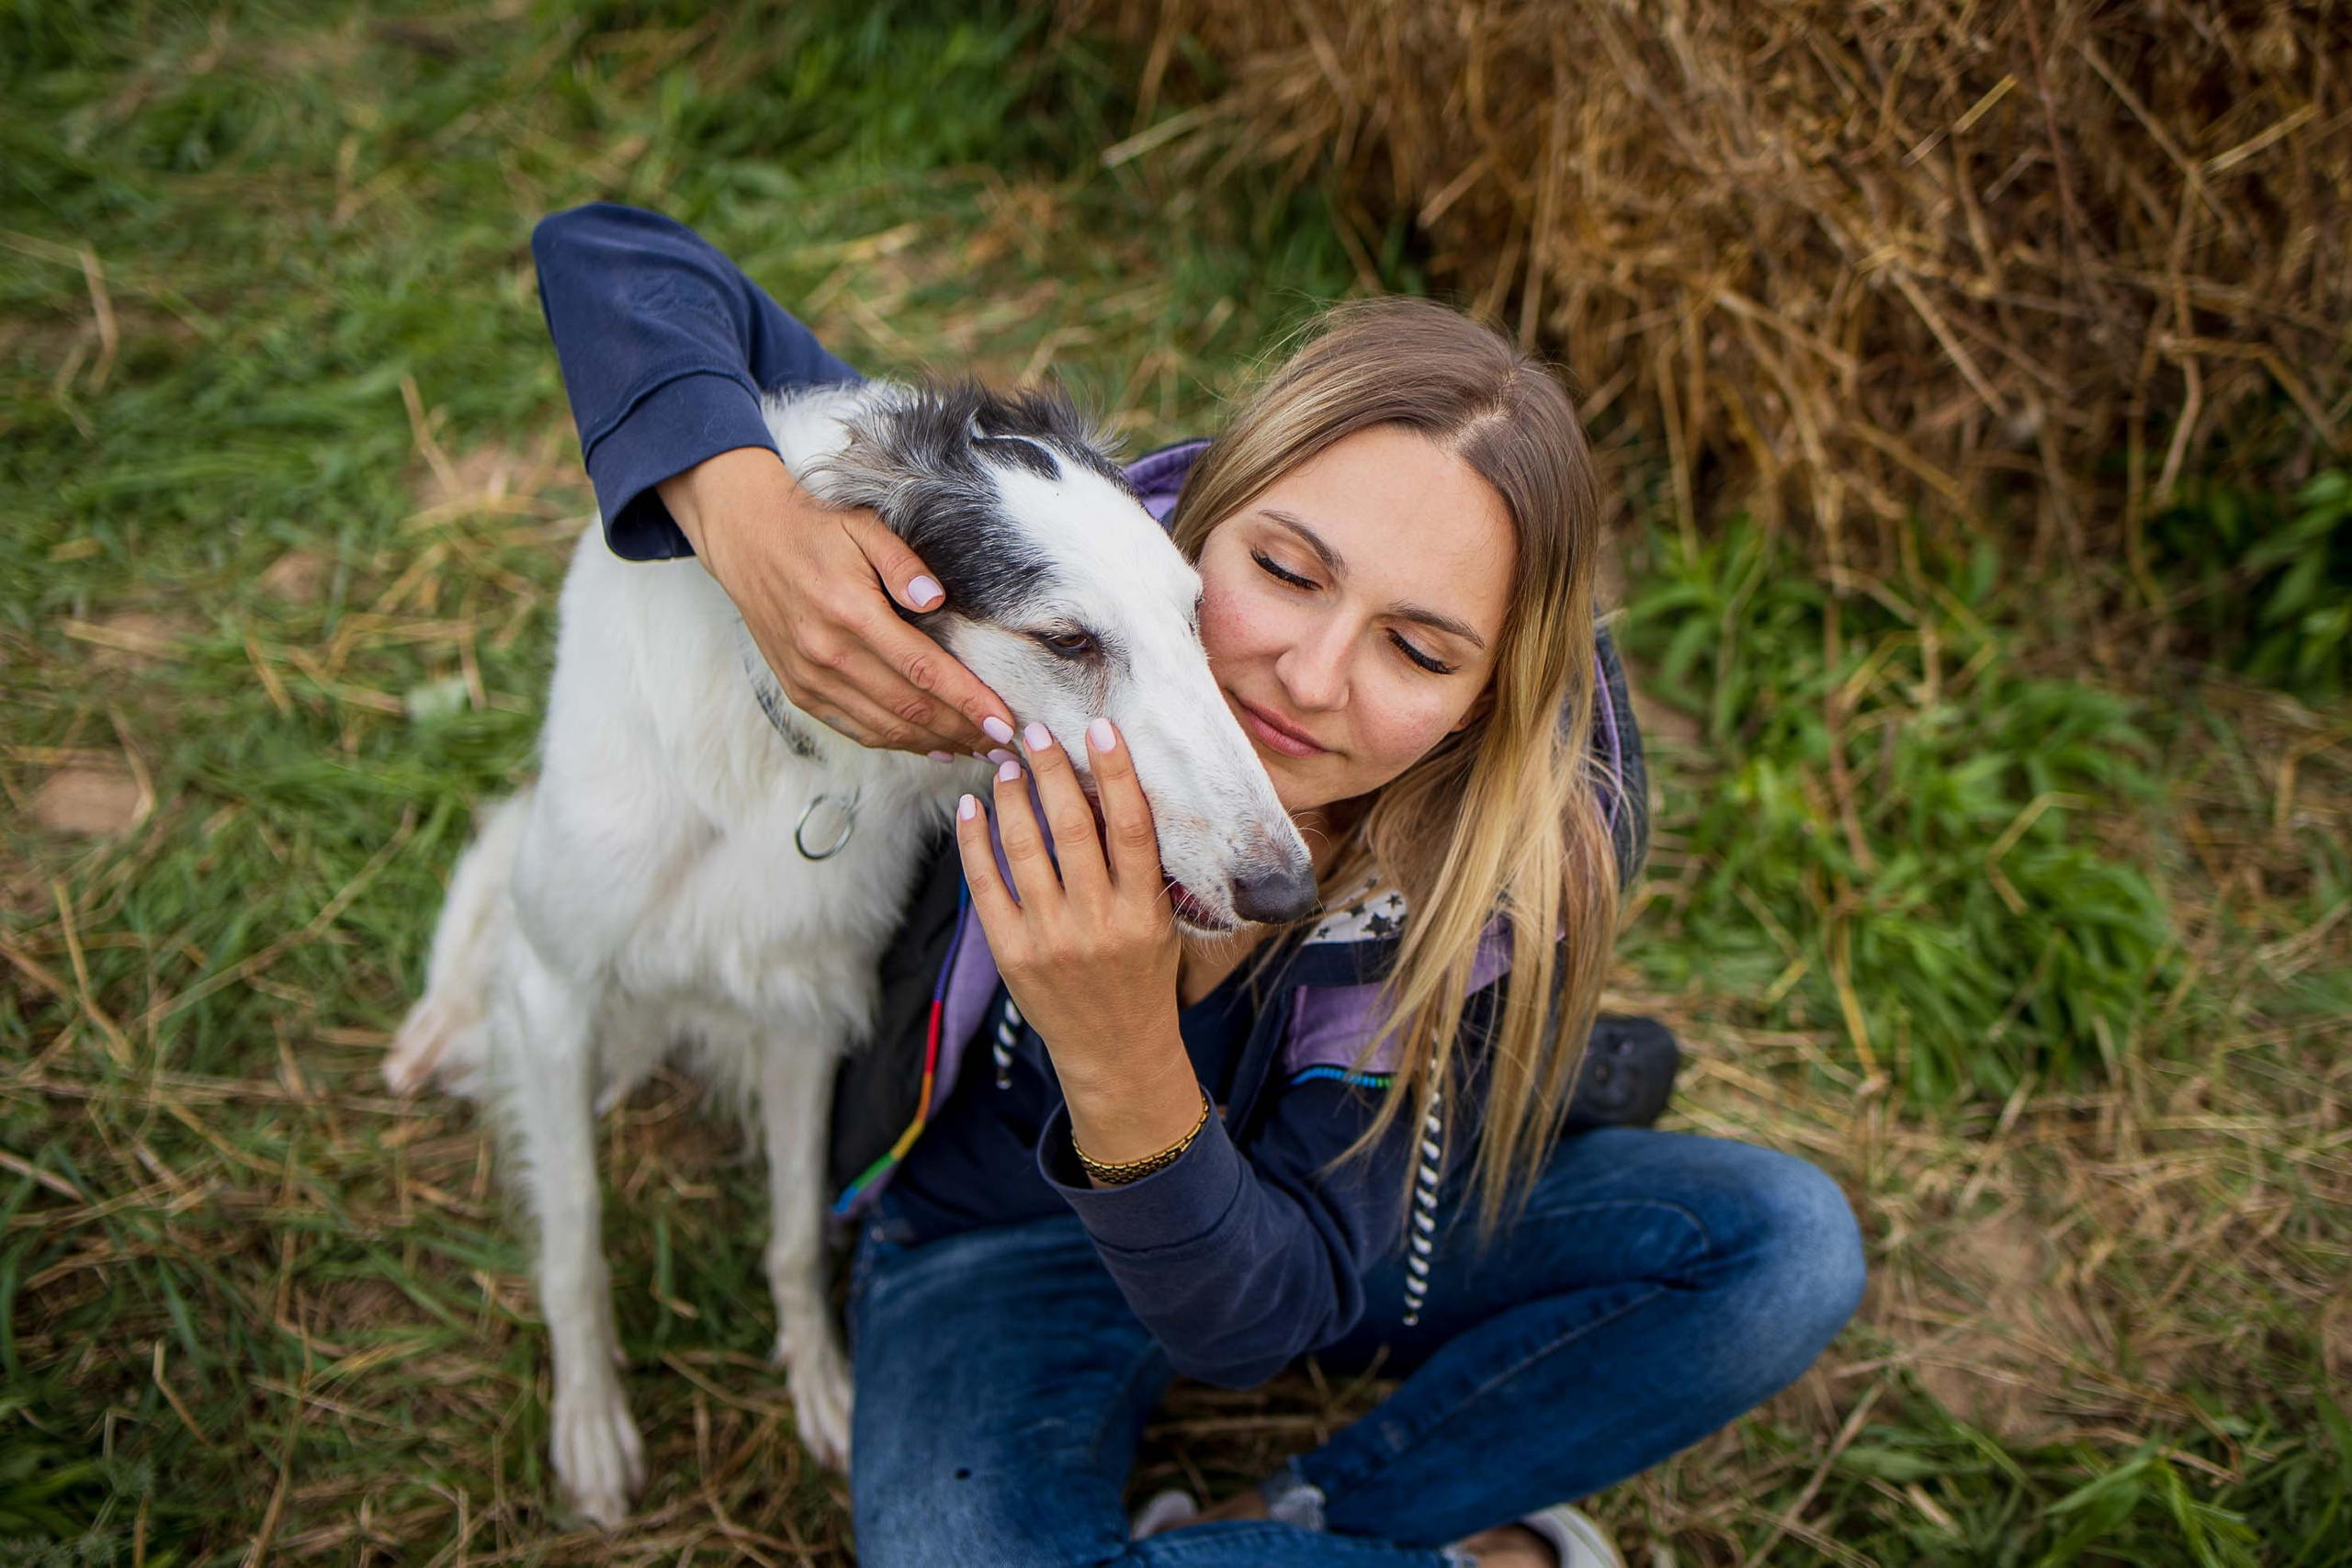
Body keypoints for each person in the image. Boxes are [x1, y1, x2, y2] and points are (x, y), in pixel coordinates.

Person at [526, 202, 1866, 1568]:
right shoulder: (1064, 582)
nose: (1309, 676)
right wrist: (747, 516)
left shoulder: (1498, 866)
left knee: (1786, 1247)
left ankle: (1317, 1526)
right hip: (994, 1246)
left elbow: (1266, 1315)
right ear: (1200, 513)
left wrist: (1119, 1052)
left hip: (1318, 1232)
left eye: (1419, 649)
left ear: (1485, 699)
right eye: (1285, 569)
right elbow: (612, 255)